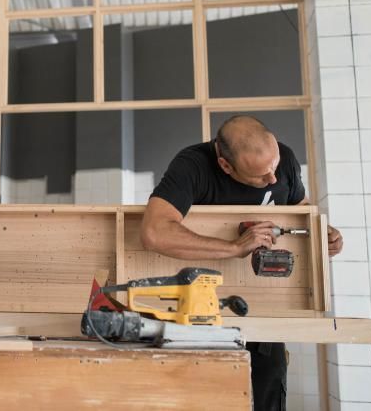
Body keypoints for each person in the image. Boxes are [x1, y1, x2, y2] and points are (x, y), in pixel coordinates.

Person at [141, 115, 343, 411]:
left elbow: (301, 211)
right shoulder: (193, 166)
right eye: (260, 176)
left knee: (269, 386)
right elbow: (154, 231)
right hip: (203, 312)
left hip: (265, 310)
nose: (272, 179)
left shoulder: (282, 159)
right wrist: (234, 247)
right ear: (225, 165)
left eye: (273, 167)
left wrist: (325, 234)